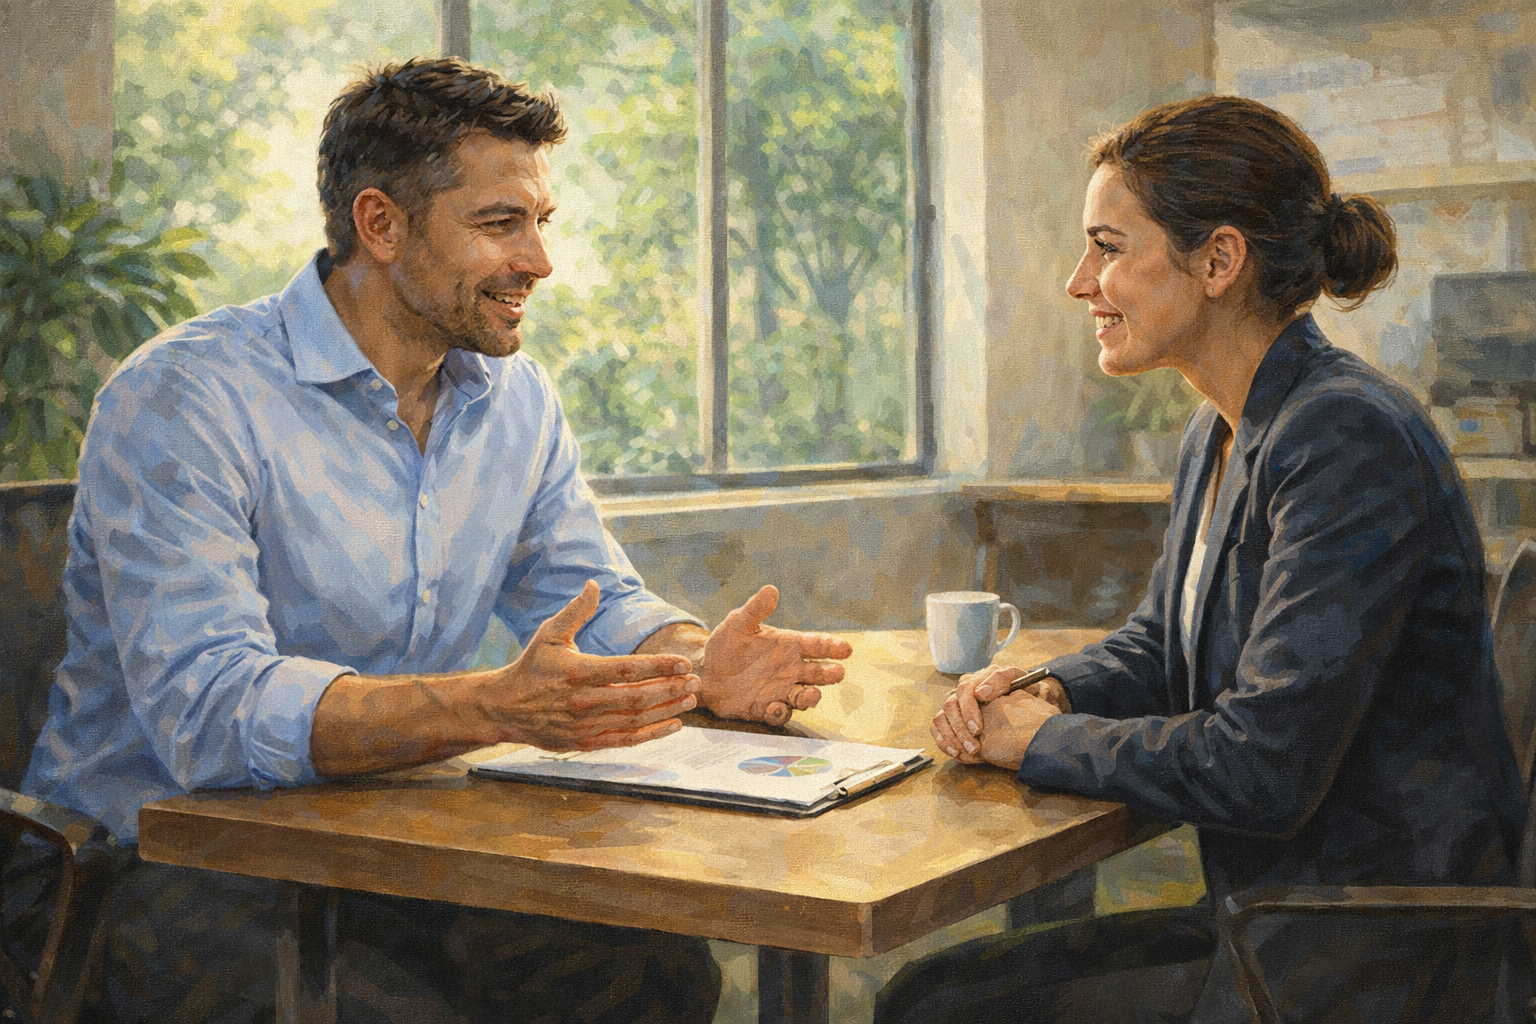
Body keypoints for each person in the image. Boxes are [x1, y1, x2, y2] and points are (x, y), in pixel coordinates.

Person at [11, 56, 852, 1022]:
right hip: (149, 867)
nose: (538, 261)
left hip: (392, 850)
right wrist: (494, 707)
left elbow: (589, 596)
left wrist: (696, 664)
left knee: (649, 972)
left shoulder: (513, 398)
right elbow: (208, 716)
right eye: (500, 224)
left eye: (541, 223)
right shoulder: (185, 398)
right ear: (380, 224)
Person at [878, 95, 1527, 1024]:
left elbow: (1261, 768)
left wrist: (1041, 741)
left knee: (941, 1007)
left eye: (1108, 248)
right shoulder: (1222, 428)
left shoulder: (1344, 438)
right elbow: (1159, 644)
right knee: (940, 993)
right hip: (1270, 922)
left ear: (1219, 260)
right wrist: (1053, 690)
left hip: (1371, 956)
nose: (1078, 282)